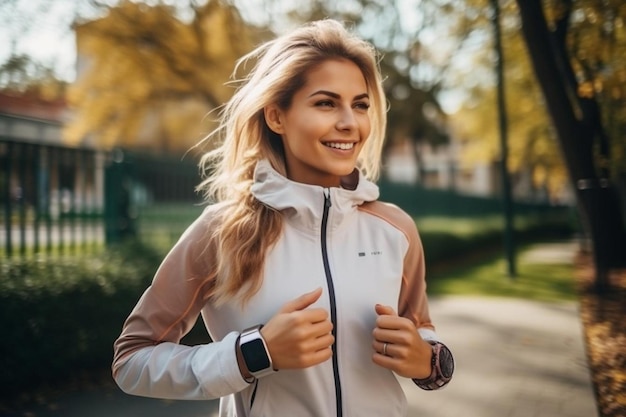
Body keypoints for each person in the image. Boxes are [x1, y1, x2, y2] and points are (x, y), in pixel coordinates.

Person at [112, 18, 454, 417]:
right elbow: (132, 360)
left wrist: (428, 361)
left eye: (360, 104)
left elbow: (424, 333)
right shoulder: (221, 232)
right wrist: (254, 353)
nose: (349, 122)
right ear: (277, 117)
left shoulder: (395, 229)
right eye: (326, 103)